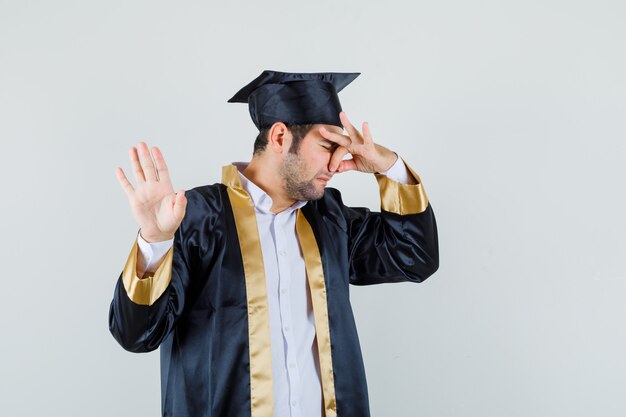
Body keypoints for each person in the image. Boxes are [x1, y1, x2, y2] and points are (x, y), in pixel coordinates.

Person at [109, 70, 439, 417]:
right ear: (280, 137)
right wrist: (156, 241)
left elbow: (414, 257)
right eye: (328, 146)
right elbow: (137, 335)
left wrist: (389, 167)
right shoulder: (196, 217)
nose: (336, 163)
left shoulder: (329, 219)